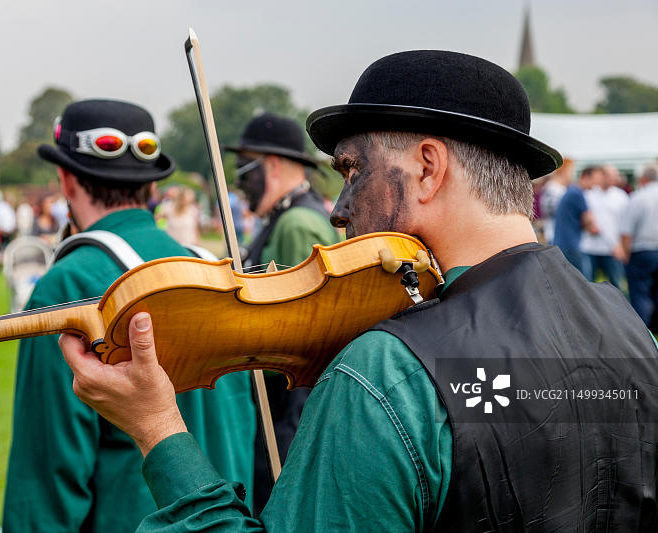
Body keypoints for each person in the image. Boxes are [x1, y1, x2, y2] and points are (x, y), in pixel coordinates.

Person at [58, 51, 658, 532]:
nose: (340, 211)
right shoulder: (634, 334)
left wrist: (158, 429)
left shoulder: (387, 372)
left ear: (428, 168)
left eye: (353, 171)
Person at [2, 99, 255, 532]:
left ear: (66, 180)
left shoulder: (67, 286)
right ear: (151, 186)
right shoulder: (214, 269)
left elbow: (47, 481)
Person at [224, 113, 340, 511]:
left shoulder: (295, 224)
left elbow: (299, 337)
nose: (239, 181)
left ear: (271, 166)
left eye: (245, 168)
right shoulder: (284, 218)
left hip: (288, 411)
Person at [621, 164, 658, 329]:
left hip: (642, 251)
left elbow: (626, 231)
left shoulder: (638, 197)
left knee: (640, 294)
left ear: (643, 179)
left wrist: (626, 254)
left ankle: (644, 332)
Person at [552, 165, 603, 279]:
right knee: (584, 282)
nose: (596, 184)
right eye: (595, 179)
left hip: (563, 243)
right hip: (571, 245)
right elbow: (589, 220)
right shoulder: (577, 193)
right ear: (585, 177)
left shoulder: (571, 191)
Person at [537, 158, 573, 243]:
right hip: (554, 235)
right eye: (571, 170)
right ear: (564, 170)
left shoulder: (562, 188)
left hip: (562, 235)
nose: (572, 174)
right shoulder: (552, 188)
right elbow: (550, 211)